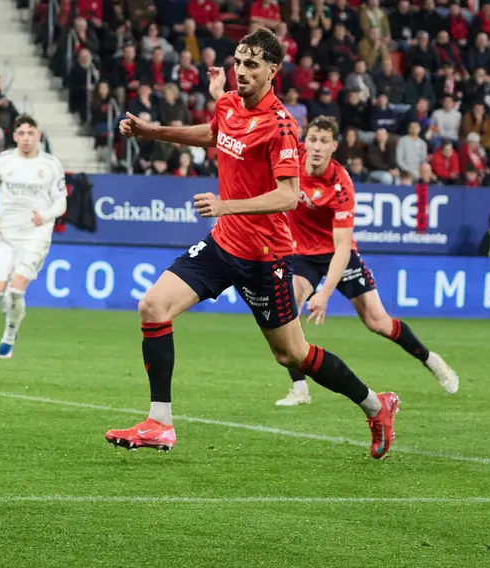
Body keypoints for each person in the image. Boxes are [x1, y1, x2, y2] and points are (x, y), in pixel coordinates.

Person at [109, 29, 398, 458]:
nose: (240, 71)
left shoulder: (281, 125)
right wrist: (151, 132)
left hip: (266, 258)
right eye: (238, 62)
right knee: (152, 306)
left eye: (251, 65)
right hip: (223, 245)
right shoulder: (228, 103)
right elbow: (212, 134)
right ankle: (159, 423)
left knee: (293, 355)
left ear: (272, 72)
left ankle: (376, 405)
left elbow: (287, 194)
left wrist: (226, 205)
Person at [275, 116, 458, 406]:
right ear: (304, 141)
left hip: (338, 253)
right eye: (312, 139)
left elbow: (343, 247)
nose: (317, 147)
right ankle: (299, 388)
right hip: (301, 253)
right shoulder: (292, 158)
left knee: (377, 322)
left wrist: (324, 293)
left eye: (324, 141)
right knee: (287, 312)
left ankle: (431, 360)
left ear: (335, 146)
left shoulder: (341, 183)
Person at [0, 115, 67, 359]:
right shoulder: (3, 161)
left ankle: (9, 335)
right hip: (5, 235)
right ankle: (15, 316)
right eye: (22, 133)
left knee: (16, 291)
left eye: (31, 133)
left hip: (35, 236)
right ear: (15, 136)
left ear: (38, 135)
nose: (26, 138)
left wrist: (46, 214)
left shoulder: (51, 164)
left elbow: (61, 201)